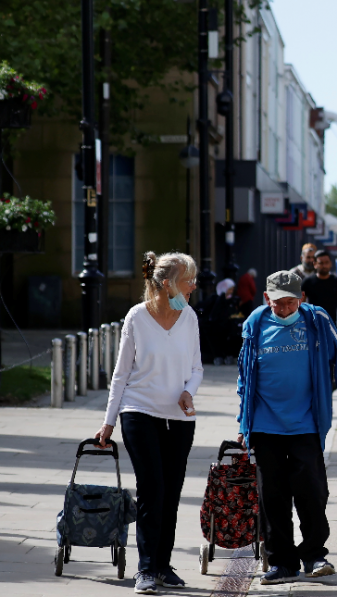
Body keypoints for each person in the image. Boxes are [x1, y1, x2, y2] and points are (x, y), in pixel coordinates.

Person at [236, 271, 337, 584]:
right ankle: (281, 562)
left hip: (306, 423)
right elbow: (244, 378)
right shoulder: (254, 324)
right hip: (265, 425)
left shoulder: (317, 321)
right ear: (267, 298)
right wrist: (244, 423)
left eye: (290, 303)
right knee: (272, 495)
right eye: (277, 303)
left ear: (301, 299)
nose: (283, 309)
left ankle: (314, 554)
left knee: (312, 491)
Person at [95, 251, 202, 594]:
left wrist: (188, 391)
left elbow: (197, 368)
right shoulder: (136, 318)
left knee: (170, 493)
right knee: (152, 488)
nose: (193, 286)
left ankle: (162, 565)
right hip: (139, 411)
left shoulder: (190, 318)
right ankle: (145, 569)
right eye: (188, 280)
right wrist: (109, 422)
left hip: (179, 418)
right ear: (167, 284)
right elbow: (121, 374)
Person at [301, 250, 337, 335]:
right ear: (315, 264)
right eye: (321, 263)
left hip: (331, 327)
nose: (324, 265)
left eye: (326, 262)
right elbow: (300, 305)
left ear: (331, 263)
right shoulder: (307, 282)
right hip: (312, 327)